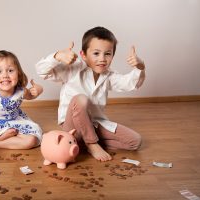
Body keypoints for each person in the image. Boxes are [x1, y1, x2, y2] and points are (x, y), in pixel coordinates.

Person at [36, 26, 146, 161]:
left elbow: (131, 83)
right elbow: (42, 71)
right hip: (71, 126)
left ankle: (81, 144)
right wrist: (58, 56)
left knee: (135, 141)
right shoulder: (72, 68)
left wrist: (140, 67)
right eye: (96, 53)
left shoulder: (109, 75)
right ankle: (91, 144)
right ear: (83, 55)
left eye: (107, 54)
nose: (102, 59)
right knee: (81, 99)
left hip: (95, 123)